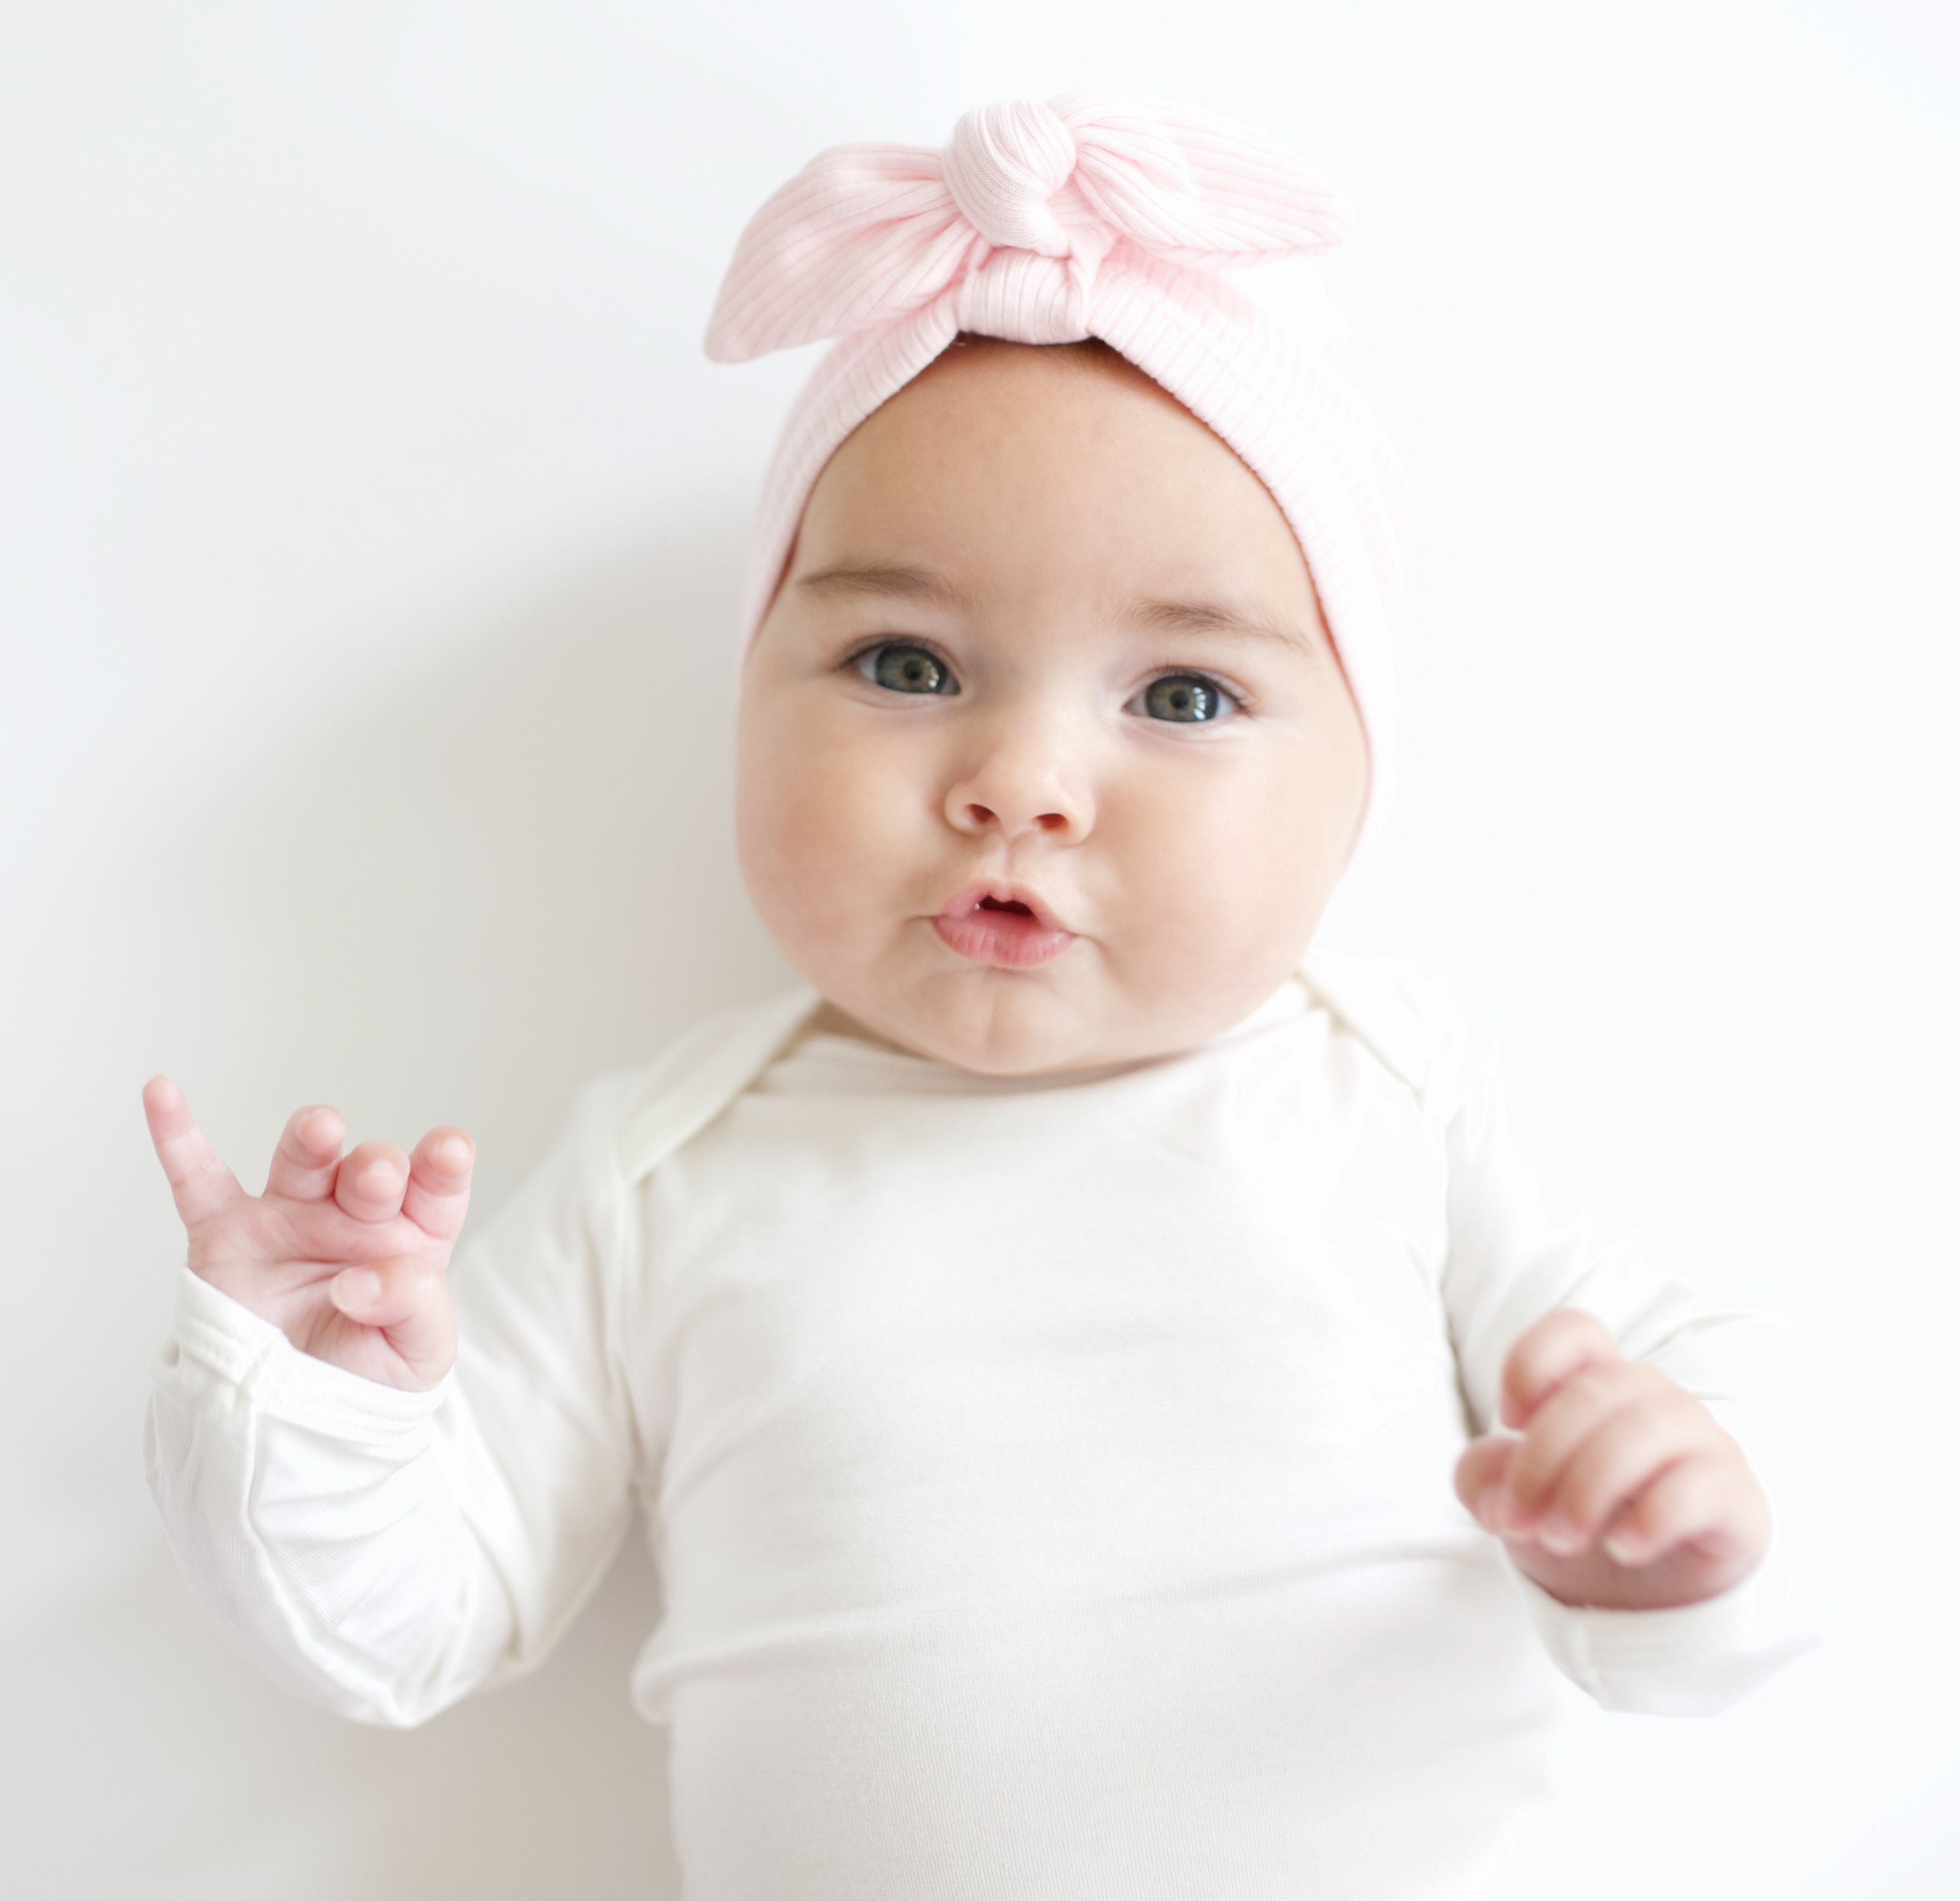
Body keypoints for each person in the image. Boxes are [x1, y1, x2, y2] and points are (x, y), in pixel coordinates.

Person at [141, 95, 1806, 1898]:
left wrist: (1676, 1528)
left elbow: (1703, 1430)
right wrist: (327, 1406)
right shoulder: (673, 1166)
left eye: (1178, 697)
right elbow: (408, 1621)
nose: (1020, 779)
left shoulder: (1397, 1092)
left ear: (1362, 781)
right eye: (907, 664)